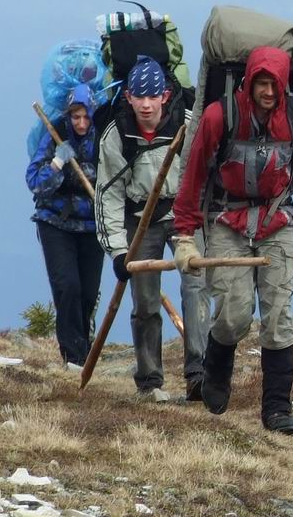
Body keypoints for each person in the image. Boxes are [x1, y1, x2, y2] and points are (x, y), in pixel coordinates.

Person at [171, 46, 293, 434]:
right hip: (227, 222)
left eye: (273, 84)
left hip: (277, 222)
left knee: (278, 318)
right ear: (248, 82)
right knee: (234, 315)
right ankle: (216, 368)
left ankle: (277, 409)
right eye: (260, 83)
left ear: (282, 85)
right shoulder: (219, 116)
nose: (266, 91)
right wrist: (184, 236)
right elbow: (192, 178)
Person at [94, 55, 210, 402]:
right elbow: (108, 195)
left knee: (196, 286)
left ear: (165, 95)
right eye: (138, 97)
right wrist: (117, 249)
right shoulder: (117, 136)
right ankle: (149, 380)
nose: (146, 105)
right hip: (138, 220)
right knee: (145, 301)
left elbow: (207, 177)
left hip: (183, 215)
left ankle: (199, 373)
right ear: (127, 96)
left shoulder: (187, 126)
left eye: (152, 96)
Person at [26, 84, 104, 369]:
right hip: (55, 223)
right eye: (75, 117)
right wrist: (58, 163)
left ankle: (84, 346)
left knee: (88, 291)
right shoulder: (53, 134)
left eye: (86, 117)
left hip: (92, 225)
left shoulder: (102, 139)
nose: (81, 123)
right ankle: (73, 355)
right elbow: (35, 182)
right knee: (67, 286)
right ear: (68, 116)